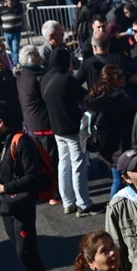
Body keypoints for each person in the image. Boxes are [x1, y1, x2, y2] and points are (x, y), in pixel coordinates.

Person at [0, 102, 59, 271]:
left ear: (0, 122)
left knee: (26, 250)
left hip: (22, 205)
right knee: (21, 251)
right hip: (5, 206)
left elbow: (32, 178)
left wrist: (3, 188)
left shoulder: (21, 142)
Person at [42, 48, 94, 216]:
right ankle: (83, 203)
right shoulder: (67, 80)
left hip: (56, 129)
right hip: (72, 129)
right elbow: (85, 95)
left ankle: (68, 202)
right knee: (78, 166)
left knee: (63, 165)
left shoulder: (45, 78)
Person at [84, 64, 137, 197]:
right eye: (121, 76)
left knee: (118, 179)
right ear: (114, 80)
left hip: (105, 148)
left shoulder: (97, 95)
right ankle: (114, 209)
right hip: (119, 147)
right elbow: (136, 109)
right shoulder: (118, 99)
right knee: (120, 181)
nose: (124, 79)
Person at [0, 0, 25, 65]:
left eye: (14, 0)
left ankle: (15, 63)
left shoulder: (18, 7)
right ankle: (13, 61)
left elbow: (26, 6)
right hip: (7, 33)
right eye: (11, 0)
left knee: (15, 48)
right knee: (11, 48)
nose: (13, 2)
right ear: (7, 2)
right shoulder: (1, 9)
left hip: (16, 32)